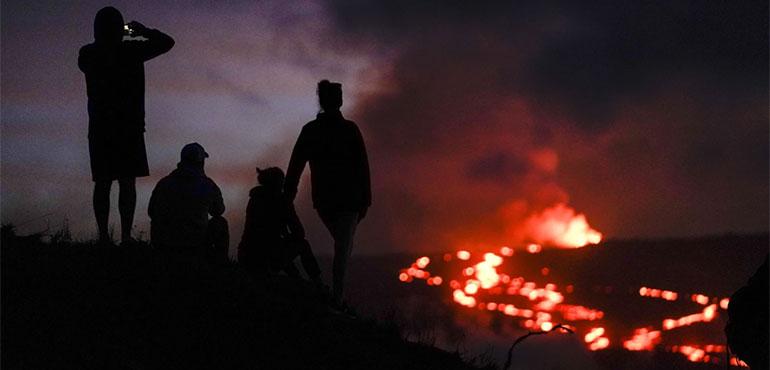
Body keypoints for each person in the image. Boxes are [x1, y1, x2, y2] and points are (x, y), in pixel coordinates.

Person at [78, 7, 174, 245]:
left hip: (101, 128)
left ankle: (103, 237)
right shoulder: (131, 50)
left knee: (103, 182)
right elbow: (166, 42)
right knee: (126, 182)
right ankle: (124, 236)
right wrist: (140, 31)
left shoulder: (88, 53)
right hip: (128, 128)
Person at [285, 80, 371, 311]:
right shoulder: (349, 129)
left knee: (342, 246)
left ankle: (335, 298)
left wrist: (287, 194)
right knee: (343, 247)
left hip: (325, 200)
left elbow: (295, 165)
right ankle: (337, 300)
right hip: (348, 200)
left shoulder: (311, 130)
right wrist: (366, 200)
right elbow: (363, 166)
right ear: (338, 101)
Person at [238, 167, 323, 284]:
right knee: (302, 244)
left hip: (246, 256)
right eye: (282, 181)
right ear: (278, 183)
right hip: (264, 258)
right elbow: (299, 233)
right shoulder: (282, 201)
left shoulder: (254, 199)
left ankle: (296, 277)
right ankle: (317, 281)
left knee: (279, 244)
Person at [148, 143, 228, 262]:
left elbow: (151, 212)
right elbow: (219, 210)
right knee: (220, 222)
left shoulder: (164, 183)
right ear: (200, 162)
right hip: (195, 245)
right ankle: (220, 265)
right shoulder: (207, 185)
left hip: (164, 244)